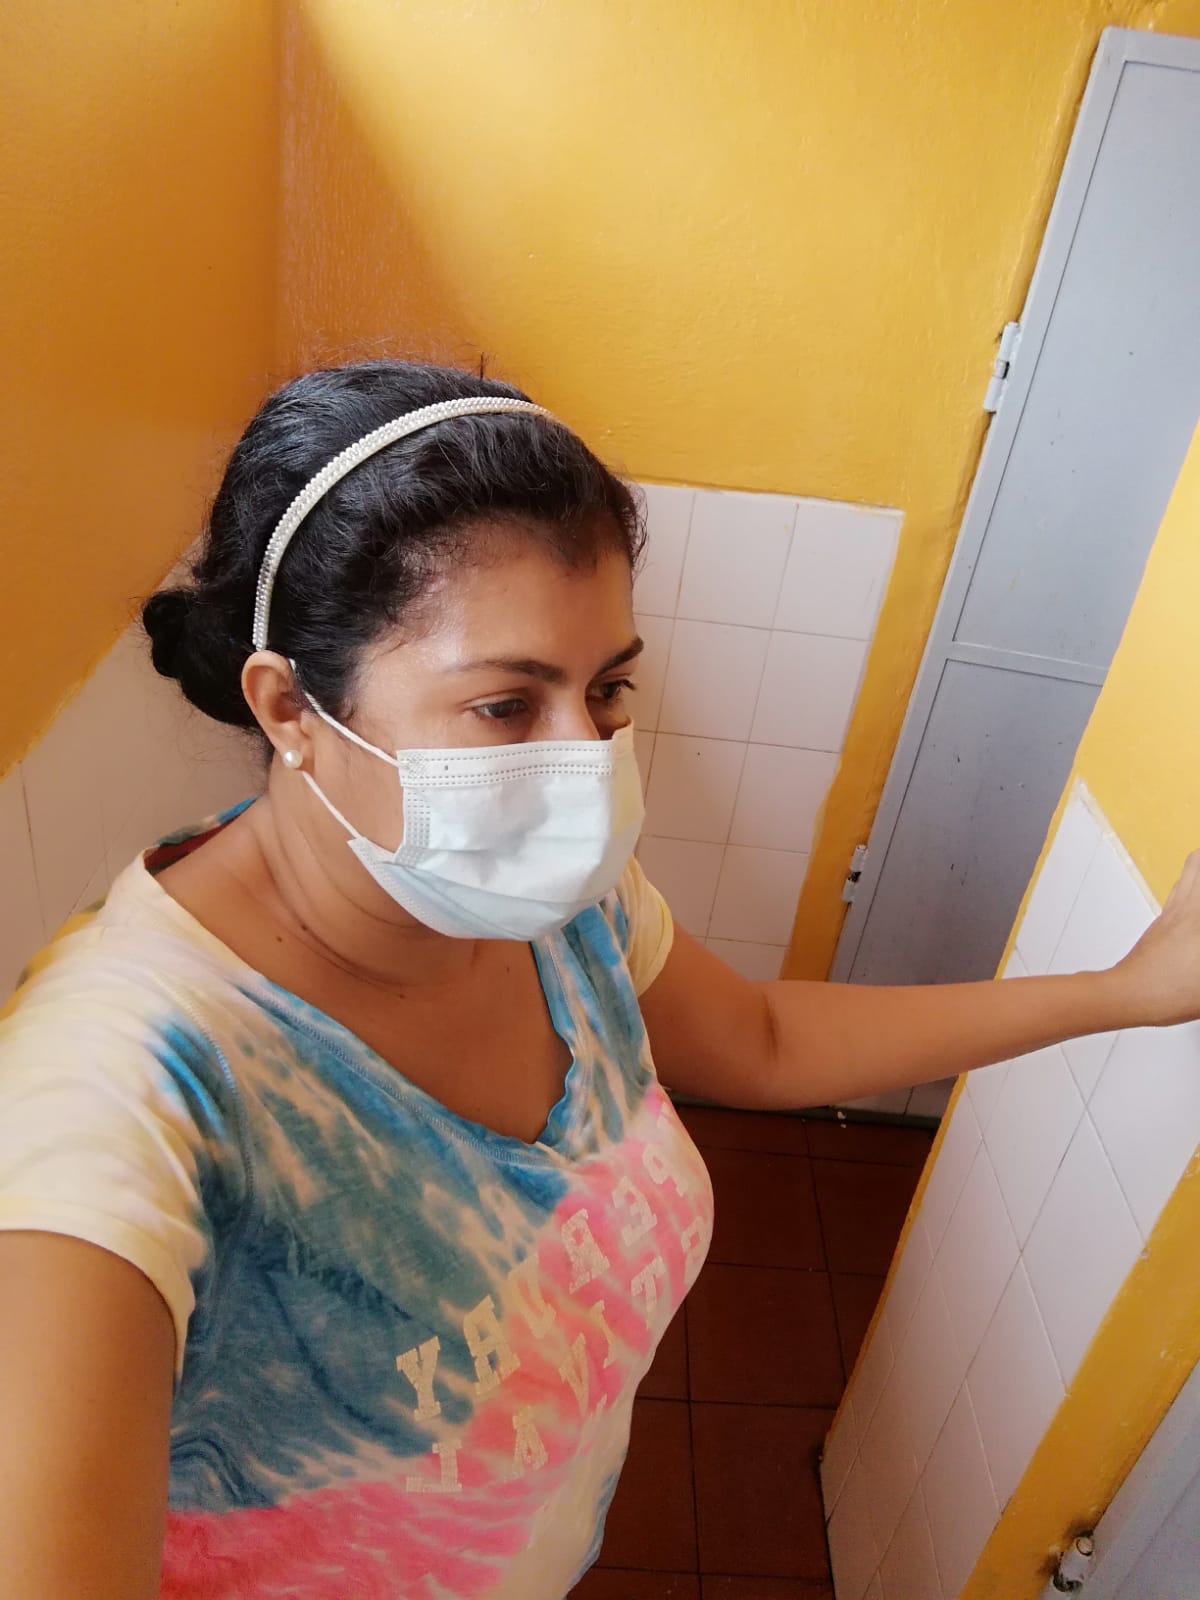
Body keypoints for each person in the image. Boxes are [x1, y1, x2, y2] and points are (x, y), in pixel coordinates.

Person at [2, 360, 1198, 1600]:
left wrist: (1128, 988)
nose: (584, 761)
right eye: (505, 705)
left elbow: (766, 1038)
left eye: (608, 688)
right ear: (292, 708)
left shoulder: (547, 907)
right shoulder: (122, 1092)